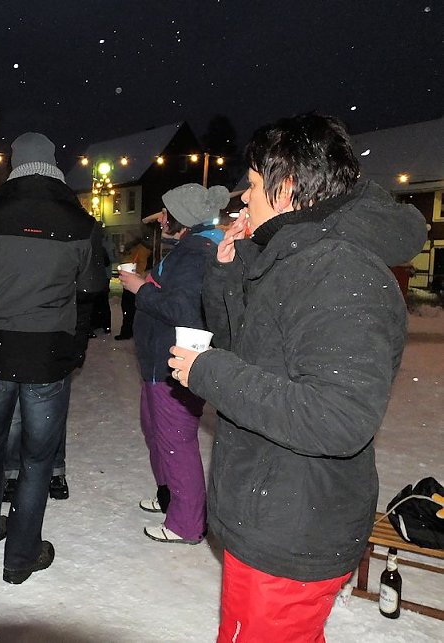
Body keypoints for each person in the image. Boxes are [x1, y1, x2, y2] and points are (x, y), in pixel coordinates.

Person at [168, 113, 427, 641]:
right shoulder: (296, 254)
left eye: (255, 185)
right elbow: (248, 345)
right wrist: (226, 268)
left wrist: (211, 373)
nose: (242, 198)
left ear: (286, 190)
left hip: (296, 528)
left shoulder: (341, 271)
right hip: (270, 512)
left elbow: (338, 418)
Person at [0, 131, 105, 584]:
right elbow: (92, 291)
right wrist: (74, 348)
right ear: (52, 164)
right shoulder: (82, 222)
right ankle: (20, 555)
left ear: (15, 164)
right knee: (37, 458)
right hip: (47, 355)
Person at [119, 183, 227, 544]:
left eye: (166, 212)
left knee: (175, 443)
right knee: (158, 435)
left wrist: (141, 289)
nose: (161, 218)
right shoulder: (189, 248)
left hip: (173, 365)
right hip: (158, 363)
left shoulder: (196, 253)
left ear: (181, 217)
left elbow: (183, 311)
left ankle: (186, 522)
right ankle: (170, 499)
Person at [115, 234, 151, 340]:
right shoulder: (133, 248)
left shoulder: (140, 249)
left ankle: (128, 332)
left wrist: (136, 275)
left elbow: (141, 264)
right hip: (131, 279)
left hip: (134, 280)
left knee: (129, 308)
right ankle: (129, 331)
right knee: (129, 308)